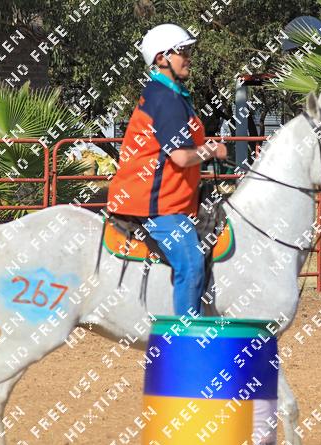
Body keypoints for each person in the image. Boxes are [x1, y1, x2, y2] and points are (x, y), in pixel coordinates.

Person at [107, 23, 227, 316]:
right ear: (162, 58)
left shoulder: (170, 94)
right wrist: (213, 150)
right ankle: (186, 333)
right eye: (182, 51)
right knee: (191, 264)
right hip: (155, 204)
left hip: (171, 199)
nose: (188, 57)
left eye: (188, 51)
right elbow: (181, 158)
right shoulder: (166, 99)